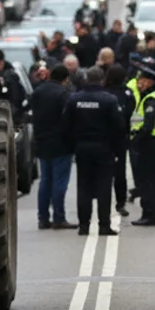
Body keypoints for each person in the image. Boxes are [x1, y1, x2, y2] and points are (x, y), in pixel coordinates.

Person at [63, 67, 125, 235]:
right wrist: (119, 152)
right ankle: (104, 225)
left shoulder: (74, 99)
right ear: (102, 80)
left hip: (82, 149)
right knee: (104, 188)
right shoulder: (109, 100)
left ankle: (84, 226)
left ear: (86, 79)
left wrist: (72, 147)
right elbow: (118, 128)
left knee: (83, 187)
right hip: (104, 149)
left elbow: (66, 125)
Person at [33, 65, 77, 229]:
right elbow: (68, 119)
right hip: (61, 144)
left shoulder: (38, 91)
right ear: (65, 79)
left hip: (42, 142)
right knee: (60, 182)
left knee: (45, 181)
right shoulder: (63, 94)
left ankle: (43, 218)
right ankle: (59, 217)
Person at [130, 57, 155, 226]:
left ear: (150, 82)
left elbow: (148, 125)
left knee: (147, 182)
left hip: (149, 144)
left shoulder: (152, 99)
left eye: (142, 81)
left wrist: (136, 139)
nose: (139, 84)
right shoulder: (153, 97)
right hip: (153, 143)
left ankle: (150, 214)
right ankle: (151, 214)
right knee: (150, 181)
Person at [105, 64, 135, 217]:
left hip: (104, 138)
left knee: (104, 172)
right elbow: (130, 112)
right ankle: (120, 202)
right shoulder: (127, 93)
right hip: (121, 138)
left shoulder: (104, 93)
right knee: (119, 172)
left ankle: (103, 201)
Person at [0, 48, 28, 126]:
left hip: (10, 115)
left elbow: (16, 98)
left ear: (2, 62)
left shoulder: (10, 76)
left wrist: (12, 115)